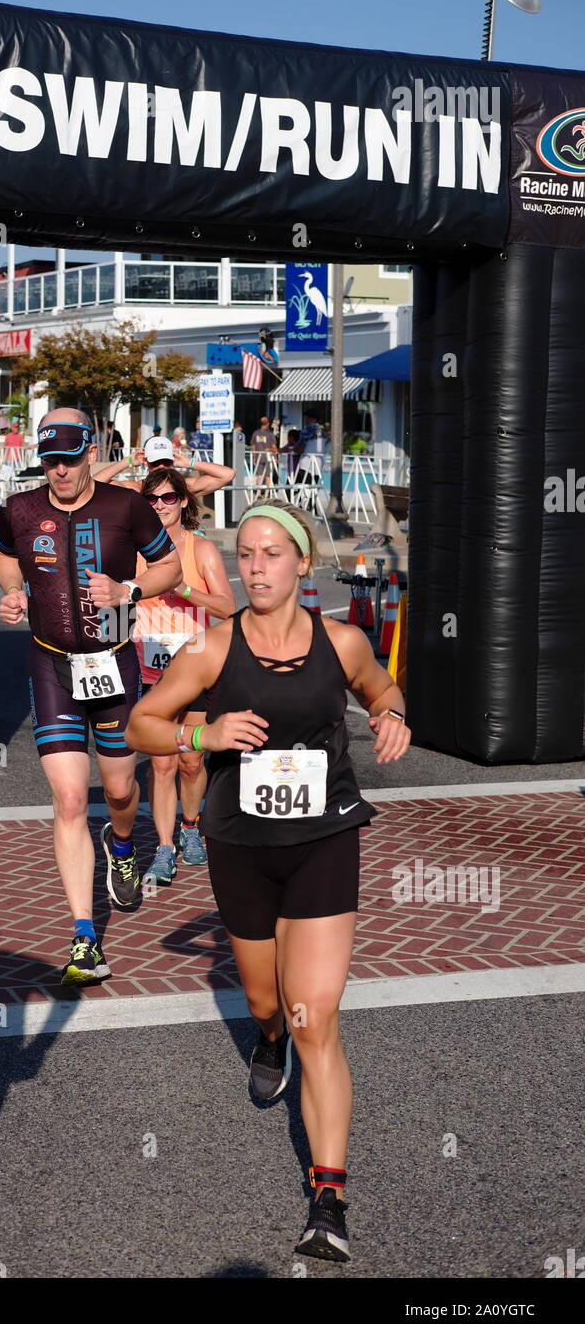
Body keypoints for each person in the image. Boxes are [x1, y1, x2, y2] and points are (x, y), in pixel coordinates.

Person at [127, 498, 410, 1263]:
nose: (255, 567)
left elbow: (382, 689)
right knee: (269, 1001)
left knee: (317, 1014)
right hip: (241, 845)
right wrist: (204, 732)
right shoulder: (213, 650)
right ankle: (267, 1035)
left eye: (270, 554)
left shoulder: (343, 641)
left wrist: (392, 713)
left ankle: (329, 1194)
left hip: (325, 837)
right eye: (245, 554)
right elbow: (141, 724)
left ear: (301, 561)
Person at [0, 410, 182, 986]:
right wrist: (11, 592)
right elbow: (3, 552)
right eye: (50, 460)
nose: (60, 470)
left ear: (91, 452)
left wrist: (129, 589)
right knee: (71, 799)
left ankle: (121, 844)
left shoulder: (128, 507)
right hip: (51, 663)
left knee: (121, 789)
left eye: (70, 458)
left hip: (114, 662)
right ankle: (83, 936)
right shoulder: (20, 511)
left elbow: (170, 566)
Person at [133, 468, 236, 885]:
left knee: (191, 762)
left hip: (194, 670)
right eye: (152, 499)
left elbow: (229, 608)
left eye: (168, 498)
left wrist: (184, 591)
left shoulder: (201, 549)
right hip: (148, 666)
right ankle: (163, 847)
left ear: (183, 502)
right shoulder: (134, 550)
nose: (160, 506)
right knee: (161, 764)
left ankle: (191, 828)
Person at [95, 434, 235, 501]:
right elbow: (94, 484)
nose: (161, 467)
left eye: (166, 461)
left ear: (172, 462)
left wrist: (189, 463)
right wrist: (127, 461)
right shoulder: (136, 489)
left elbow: (227, 474)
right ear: (146, 462)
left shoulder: (183, 487)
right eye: (156, 462)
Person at [249, 416, 277, 488]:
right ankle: (267, 493)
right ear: (268, 424)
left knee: (259, 475)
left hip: (259, 457)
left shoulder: (255, 433)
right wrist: (275, 457)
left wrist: (254, 457)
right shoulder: (270, 434)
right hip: (268, 457)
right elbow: (274, 447)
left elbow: (253, 447)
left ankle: (258, 493)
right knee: (268, 475)